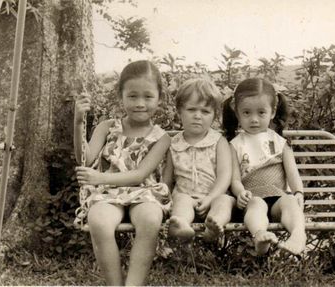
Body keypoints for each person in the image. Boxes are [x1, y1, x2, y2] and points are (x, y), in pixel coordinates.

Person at [73, 60, 171, 286]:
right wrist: (78, 122)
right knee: (98, 220)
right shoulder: (106, 127)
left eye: (148, 97)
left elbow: (140, 175)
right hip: (107, 194)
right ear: (121, 97)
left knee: (150, 219)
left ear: (159, 99)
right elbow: (84, 159)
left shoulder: (161, 137)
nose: (140, 103)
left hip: (144, 192)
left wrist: (101, 177)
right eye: (133, 96)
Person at [223, 78, 306, 256]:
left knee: (290, 202)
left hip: (277, 198)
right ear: (237, 113)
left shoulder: (280, 142)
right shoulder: (235, 145)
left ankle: (298, 234)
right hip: (251, 197)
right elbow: (235, 178)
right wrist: (240, 193)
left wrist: (298, 192)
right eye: (246, 113)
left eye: (261, 113)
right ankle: (260, 236)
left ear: (273, 112)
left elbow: (292, 174)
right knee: (257, 205)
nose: (254, 119)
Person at [163, 78, 235, 242]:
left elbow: (225, 176)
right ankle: (182, 225)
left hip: (215, 196)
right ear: (180, 111)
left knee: (224, 202)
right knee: (181, 200)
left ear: (214, 116)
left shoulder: (219, 142)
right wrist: (165, 199)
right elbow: (167, 179)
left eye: (205, 111)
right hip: (185, 195)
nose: (197, 116)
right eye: (191, 109)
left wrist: (210, 198)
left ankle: (214, 226)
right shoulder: (173, 143)